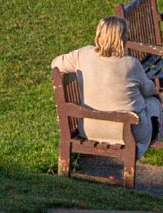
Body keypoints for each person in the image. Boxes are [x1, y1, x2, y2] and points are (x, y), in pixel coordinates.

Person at [52, 17, 162, 153]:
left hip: (90, 129)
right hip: (127, 131)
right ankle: (148, 148)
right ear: (119, 38)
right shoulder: (131, 64)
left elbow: (55, 64)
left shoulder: (82, 55)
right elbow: (148, 90)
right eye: (126, 33)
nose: (129, 35)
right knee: (153, 102)